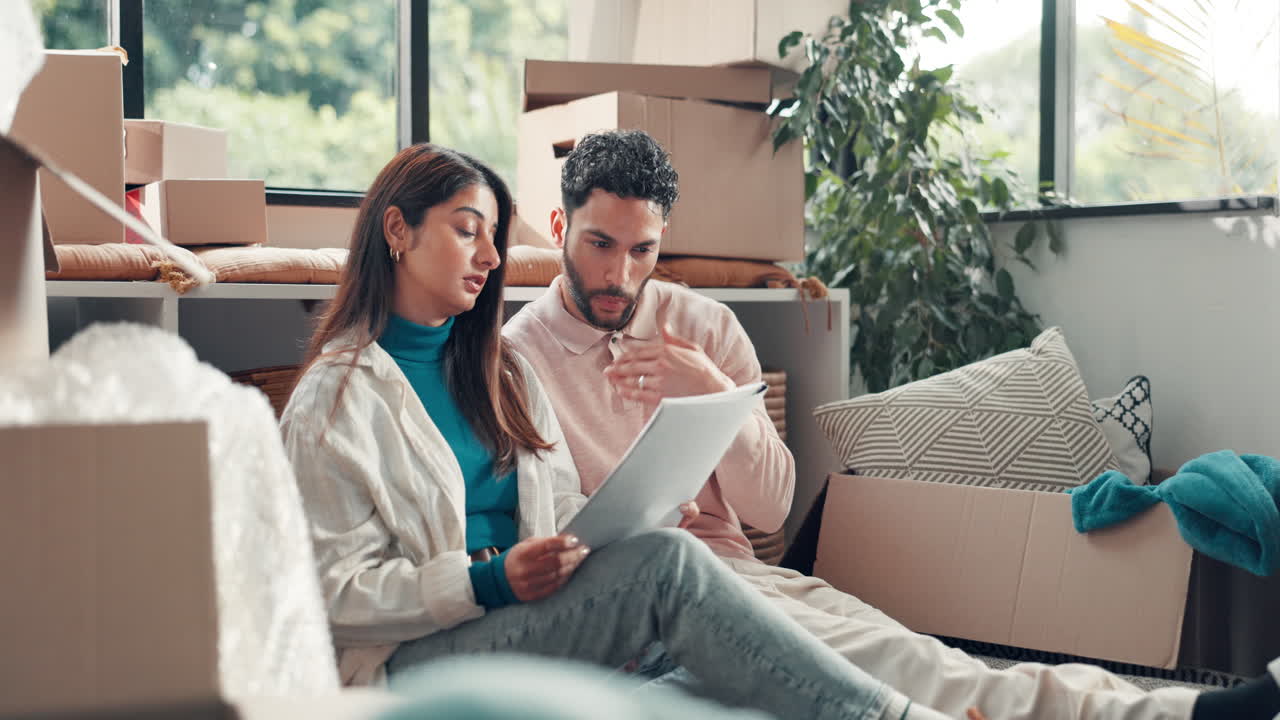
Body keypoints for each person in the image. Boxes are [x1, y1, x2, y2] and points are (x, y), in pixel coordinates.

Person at [501, 129, 1280, 720]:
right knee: (898, 668)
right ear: (557, 226)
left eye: (643, 250)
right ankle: (1183, 713)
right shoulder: (513, 359)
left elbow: (771, 510)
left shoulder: (702, 327)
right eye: (599, 244)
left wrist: (708, 391)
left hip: (740, 574)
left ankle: (1168, 708)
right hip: (638, 597)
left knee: (914, 652)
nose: (619, 275)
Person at [279, 143, 959, 720]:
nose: (491, 255)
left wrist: (639, 516)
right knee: (675, 575)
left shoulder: (501, 372)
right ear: (397, 230)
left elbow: (564, 508)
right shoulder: (331, 402)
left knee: (711, 647)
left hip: (527, 619)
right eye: (467, 230)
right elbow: (334, 594)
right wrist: (486, 582)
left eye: (493, 235)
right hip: (419, 654)